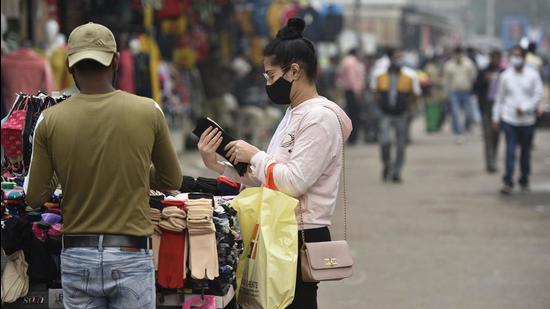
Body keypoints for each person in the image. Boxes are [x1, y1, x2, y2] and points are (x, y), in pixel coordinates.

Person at [24, 23, 182, 308]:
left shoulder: (49, 120)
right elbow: (172, 179)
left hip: (77, 255)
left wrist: (65, 172)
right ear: (116, 61)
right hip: (131, 253)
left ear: (71, 67)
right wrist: (133, 170)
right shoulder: (149, 110)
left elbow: (34, 196)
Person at [197, 18, 352, 308]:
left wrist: (255, 154)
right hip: (277, 228)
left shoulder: (319, 118)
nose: (268, 83)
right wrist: (220, 165)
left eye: (270, 75)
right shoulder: (294, 113)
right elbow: (269, 179)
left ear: (294, 71)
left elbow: (293, 183)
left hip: (300, 234)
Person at [493, 46, 543, 195]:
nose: (516, 58)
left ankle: (524, 178)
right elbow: (499, 98)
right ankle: (508, 180)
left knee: (525, 152)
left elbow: (538, 94)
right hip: (509, 119)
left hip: (527, 121)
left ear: (524, 57)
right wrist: (496, 117)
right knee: (510, 150)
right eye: (513, 55)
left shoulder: (532, 75)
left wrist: (526, 107)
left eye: (518, 55)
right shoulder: (505, 76)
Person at [372, 48, 421, 183]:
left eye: (400, 58)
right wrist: (380, 108)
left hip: (401, 114)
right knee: (385, 141)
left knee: (400, 145)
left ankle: (397, 172)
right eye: (395, 57)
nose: (397, 61)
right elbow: (375, 93)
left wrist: (409, 108)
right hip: (385, 114)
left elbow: (415, 94)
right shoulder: (380, 75)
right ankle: (387, 164)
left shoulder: (409, 76)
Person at [474, 50, 503, 173]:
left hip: (500, 107)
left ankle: (494, 158)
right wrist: (485, 80)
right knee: (488, 135)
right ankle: (490, 162)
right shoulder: (483, 72)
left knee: (496, 135)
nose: (496, 61)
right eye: (494, 58)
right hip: (486, 106)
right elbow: (475, 88)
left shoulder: (504, 73)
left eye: (498, 59)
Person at [443, 47, 478, 143]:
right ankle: (459, 133)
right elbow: (446, 81)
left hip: (466, 92)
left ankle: (466, 127)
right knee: (456, 113)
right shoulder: (449, 65)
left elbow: (473, 77)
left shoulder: (468, 64)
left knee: (469, 114)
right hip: (454, 92)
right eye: (456, 53)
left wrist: (472, 89)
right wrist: (446, 94)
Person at [337, 48, 365, 144]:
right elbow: (352, 78)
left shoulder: (345, 61)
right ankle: (353, 138)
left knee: (349, 113)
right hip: (352, 91)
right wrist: (357, 91)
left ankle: (351, 137)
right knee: (354, 115)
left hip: (347, 91)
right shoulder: (352, 62)